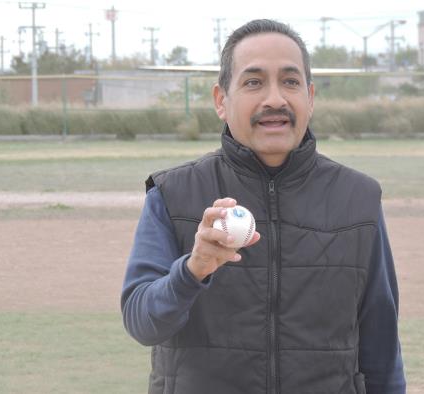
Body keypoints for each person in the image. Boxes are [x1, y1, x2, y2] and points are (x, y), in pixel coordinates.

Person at [121, 19, 405, 394]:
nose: (275, 99)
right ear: (221, 101)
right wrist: (192, 270)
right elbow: (142, 322)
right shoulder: (172, 195)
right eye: (253, 82)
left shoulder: (359, 199)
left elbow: (381, 347)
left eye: (290, 81)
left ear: (311, 97)